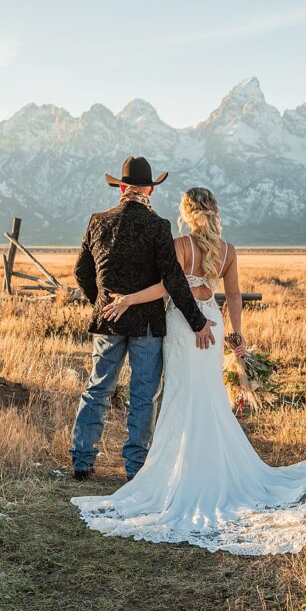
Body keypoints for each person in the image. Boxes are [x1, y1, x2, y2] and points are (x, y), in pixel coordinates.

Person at [71, 187, 306, 555]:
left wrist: (128, 298)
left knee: (179, 393)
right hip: (213, 322)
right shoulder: (227, 251)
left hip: (184, 325)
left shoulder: (180, 245)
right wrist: (237, 335)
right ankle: (208, 465)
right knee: (207, 395)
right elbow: (234, 297)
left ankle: (174, 468)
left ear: (188, 212)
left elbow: (168, 287)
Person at [71, 156, 216, 483]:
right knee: (143, 394)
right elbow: (174, 280)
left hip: (109, 321)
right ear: (150, 189)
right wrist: (198, 322)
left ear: (121, 188)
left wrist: (103, 304)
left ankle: (82, 461)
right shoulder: (158, 226)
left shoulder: (98, 221)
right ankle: (135, 468)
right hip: (148, 325)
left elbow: (81, 272)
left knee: (98, 389)